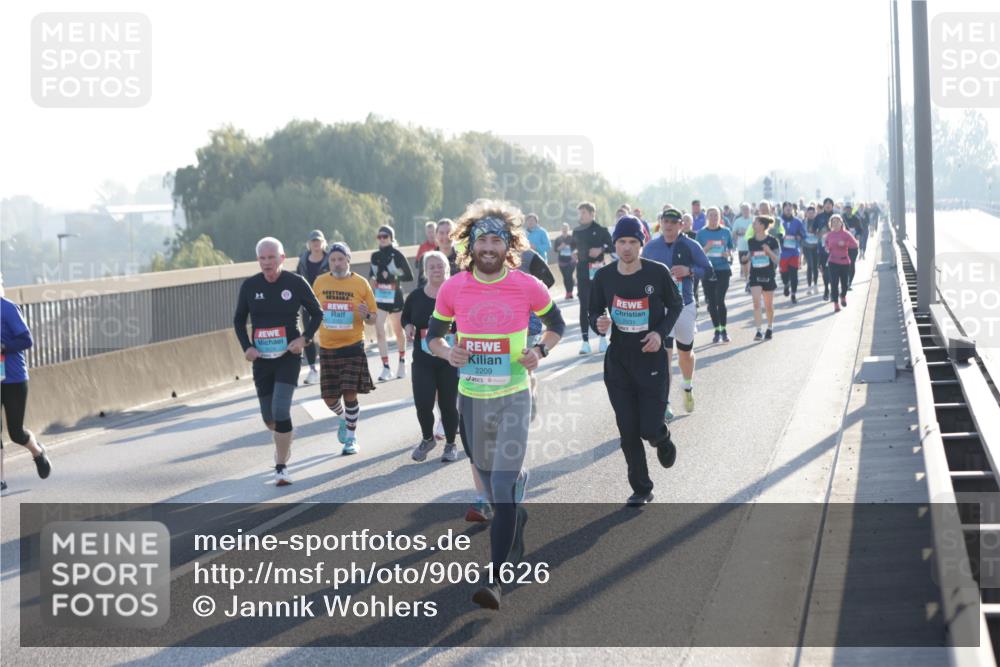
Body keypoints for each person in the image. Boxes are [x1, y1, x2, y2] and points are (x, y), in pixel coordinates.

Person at [426, 200, 565, 610]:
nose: (489, 247)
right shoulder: (454, 288)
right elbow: (433, 336)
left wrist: (539, 350)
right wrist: (445, 351)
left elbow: (558, 324)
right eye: (482, 239)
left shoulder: (526, 285)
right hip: (471, 401)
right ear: (470, 245)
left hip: (514, 398)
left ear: (509, 246)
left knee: (501, 488)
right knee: (488, 483)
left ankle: (496, 580)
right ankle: (514, 518)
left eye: (496, 240)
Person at [591, 216, 682, 506]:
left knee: (647, 428)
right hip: (619, 361)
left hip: (651, 359)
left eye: (632, 242)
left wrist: (659, 333)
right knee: (627, 430)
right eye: (621, 242)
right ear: (614, 244)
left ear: (641, 244)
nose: (626, 248)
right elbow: (593, 312)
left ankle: (661, 437)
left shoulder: (657, 273)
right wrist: (599, 323)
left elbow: (676, 304)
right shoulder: (604, 276)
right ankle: (641, 488)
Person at [234, 237, 322, 486]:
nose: (266, 263)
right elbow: (239, 320)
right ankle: (283, 443)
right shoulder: (250, 286)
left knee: (281, 409)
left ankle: (281, 466)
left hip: (288, 357)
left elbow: (317, 313)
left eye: (271, 257)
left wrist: (304, 339)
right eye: (262, 258)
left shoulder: (295, 283)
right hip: (261, 359)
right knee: (269, 417)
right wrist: (247, 347)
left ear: (282, 258)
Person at [642, 208, 712, 418]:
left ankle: (688, 386)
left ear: (681, 225)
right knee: (664, 357)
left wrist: (689, 271)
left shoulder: (691, 245)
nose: (669, 225)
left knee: (685, 354)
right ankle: (665, 402)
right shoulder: (651, 247)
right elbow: (639, 272)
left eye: (674, 221)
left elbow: (708, 270)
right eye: (666, 221)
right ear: (660, 223)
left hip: (684, 306)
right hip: (661, 309)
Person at [311, 242, 378, 455]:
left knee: (350, 393)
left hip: (352, 346)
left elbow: (373, 319)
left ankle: (351, 437)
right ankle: (344, 419)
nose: (337, 263)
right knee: (329, 398)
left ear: (348, 260)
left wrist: (366, 313)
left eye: (341, 259)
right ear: (328, 262)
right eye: (333, 260)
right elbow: (313, 310)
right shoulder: (320, 282)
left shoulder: (361, 284)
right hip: (328, 347)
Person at [403, 251, 460, 463]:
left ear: (447, 268)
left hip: (449, 360)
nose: (436, 269)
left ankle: (451, 444)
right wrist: (407, 326)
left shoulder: (456, 293)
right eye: (432, 266)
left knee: (448, 404)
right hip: (423, 360)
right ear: (426, 271)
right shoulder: (416, 296)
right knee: (423, 403)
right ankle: (428, 438)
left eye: (440, 266)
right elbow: (406, 316)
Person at [1, 288, 52, 489]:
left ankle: (37, 452)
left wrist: (3, 347)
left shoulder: (7, 308)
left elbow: (26, 340)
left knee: (16, 433)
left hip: (13, 378)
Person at [369, 224, 414, 382]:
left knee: (397, 331)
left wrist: (393, 274)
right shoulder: (374, 256)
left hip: (395, 297)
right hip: (381, 297)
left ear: (391, 238)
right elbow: (372, 274)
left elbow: (409, 276)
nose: (382, 239)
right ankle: (386, 367)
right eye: (379, 237)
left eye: (385, 236)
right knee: (379, 330)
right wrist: (373, 279)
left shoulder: (397, 254)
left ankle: (402, 361)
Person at [572, 201, 613, 355]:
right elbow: (573, 246)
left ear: (591, 214)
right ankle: (585, 342)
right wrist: (575, 253)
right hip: (582, 270)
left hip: (598, 271)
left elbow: (612, 246)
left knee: (599, 304)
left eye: (583, 213)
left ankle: (602, 338)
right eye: (579, 213)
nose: (580, 216)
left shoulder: (601, 230)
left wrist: (600, 249)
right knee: (584, 305)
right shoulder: (576, 231)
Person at [695, 207, 735, 343]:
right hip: (707, 270)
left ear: (720, 217)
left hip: (723, 269)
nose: (714, 218)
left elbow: (731, 248)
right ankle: (717, 330)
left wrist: (728, 254)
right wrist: (707, 247)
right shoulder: (701, 233)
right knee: (711, 302)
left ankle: (724, 330)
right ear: (707, 217)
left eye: (716, 215)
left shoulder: (726, 231)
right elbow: (697, 254)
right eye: (711, 215)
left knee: (719, 299)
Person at [296, 230, 330, 384]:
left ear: (323, 243)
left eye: (318, 241)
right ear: (308, 244)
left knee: (327, 334)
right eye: (313, 242)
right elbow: (297, 281)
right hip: (308, 304)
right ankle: (312, 369)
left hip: (327, 303)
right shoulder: (303, 261)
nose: (316, 244)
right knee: (308, 335)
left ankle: (328, 368)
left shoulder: (330, 259)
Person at [747, 216, 781, 340]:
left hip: (768, 275)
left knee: (768, 305)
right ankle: (758, 330)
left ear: (761, 225)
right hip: (755, 275)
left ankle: (770, 327)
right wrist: (746, 258)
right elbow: (750, 255)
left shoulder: (773, 241)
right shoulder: (751, 241)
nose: (753, 225)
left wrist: (768, 251)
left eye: (754, 223)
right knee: (756, 303)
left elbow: (777, 259)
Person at [825, 215, 859, 313]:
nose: (835, 224)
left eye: (837, 222)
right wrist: (827, 248)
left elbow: (855, 244)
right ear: (831, 224)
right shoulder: (829, 235)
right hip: (833, 262)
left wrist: (845, 244)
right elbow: (826, 244)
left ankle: (843, 295)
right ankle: (836, 304)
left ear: (841, 223)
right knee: (834, 283)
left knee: (845, 284)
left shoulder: (846, 234)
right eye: (833, 222)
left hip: (844, 262)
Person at [778, 202, 806, 303]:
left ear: (793, 210)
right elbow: (774, 233)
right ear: (783, 209)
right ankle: (786, 284)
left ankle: (793, 294)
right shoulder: (778, 221)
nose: (788, 209)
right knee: (783, 273)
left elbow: (803, 233)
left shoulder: (797, 221)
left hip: (794, 251)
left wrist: (799, 236)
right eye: (786, 208)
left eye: (790, 208)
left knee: (794, 274)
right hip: (782, 252)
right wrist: (780, 237)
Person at [813, 198, 836, 300]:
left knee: (833, 270)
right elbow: (813, 229)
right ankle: (827, 289)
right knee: (825, 270)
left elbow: (845, 229)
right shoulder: (819, 217)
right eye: (826, 203)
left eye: (829, 204)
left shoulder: (837, 216)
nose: (828, 205)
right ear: (823, 205)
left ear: (832, 205)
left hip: (835, 248)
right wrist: (819, 233)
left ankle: (833, 289)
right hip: (822, 248)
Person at [552, 222, 577, 300]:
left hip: (571, 260)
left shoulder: (572, 238)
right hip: (562, 261)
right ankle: (568, 290)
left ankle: (569, 293)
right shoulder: (558, 239)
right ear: (561, 229)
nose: (564, 230)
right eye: (563, 228)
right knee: (565, 277)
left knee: (568, 275)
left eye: (566, 228)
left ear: (568, 229)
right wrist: (560, 247)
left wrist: (574, 254)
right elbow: (555, 249)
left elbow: (577, 248)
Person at [841, 202, 864, 289]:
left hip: (853, 245)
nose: (848, 210)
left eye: (850, 208)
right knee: (844, 264)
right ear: (845, 209)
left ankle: (849, 282)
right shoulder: (841, 219)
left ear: (852, 209)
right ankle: (845, 281)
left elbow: (861, 230)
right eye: (847, 208)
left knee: (852, 264)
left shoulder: (856, 219)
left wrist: (858, 234)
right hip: (843, 246)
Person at [730, 203, 754, 281]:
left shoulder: (754, 220)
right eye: (743, 209)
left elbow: (758, 231)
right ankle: (747, 280)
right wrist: (737, 238)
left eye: (747, 209)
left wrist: (746, 232)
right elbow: (733, 233)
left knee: (751, 264)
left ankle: (750, 280)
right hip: (741, 246)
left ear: (750, 210)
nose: (745, 211)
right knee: (744, 264)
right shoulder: (738, 221)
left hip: (752, 246)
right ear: (741, 211)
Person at [802, 205, 821, 295]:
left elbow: (821, 232)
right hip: (806, 246)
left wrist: (816, 232)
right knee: (810, 265)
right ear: (806, 213)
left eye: (812, 213)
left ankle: (815, 285)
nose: (811, 215)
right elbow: (800, 232)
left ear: (815, 213)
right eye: (809, 213)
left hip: (816, 246)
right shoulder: (803, 222)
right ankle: (809, 287)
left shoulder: (818, 222)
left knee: (815, 266)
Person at [415, 220, 439, 287]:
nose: (431, 234)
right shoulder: (422, 247)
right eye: (429, 232)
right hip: (427, 280)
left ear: (436, 232)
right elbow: (417, 264)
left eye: (432, 232)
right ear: (426, 233)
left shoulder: (441, 245)